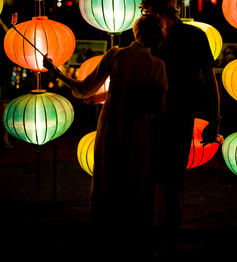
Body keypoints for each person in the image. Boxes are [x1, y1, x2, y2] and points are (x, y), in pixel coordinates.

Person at [43, 13, 168, 260]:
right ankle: (134, 241)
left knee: (107, 180)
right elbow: (158, 110)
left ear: (135, 31)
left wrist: (56, 72)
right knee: (136, 183)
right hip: (137, 131)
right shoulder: (157, 66)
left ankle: (106, 238)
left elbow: (82, 89)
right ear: (158, 38)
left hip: (110, 128)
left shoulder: (115, 55)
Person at [140, 0, 221, 258]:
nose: (150, 16)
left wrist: (216, 118)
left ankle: (169, 245)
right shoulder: (147, 36)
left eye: (153, 12)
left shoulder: (193, 35)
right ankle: (152, 242)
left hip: (178, 116)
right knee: (151, 183)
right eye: (147, 12)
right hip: (148, 116)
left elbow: (210, 79)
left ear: (166, 11)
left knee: (172, 184)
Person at [0, 18, 13, 149]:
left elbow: (11, 38)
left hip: (2, 73)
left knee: (4, 106)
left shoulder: (3, 30)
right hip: (3, 73)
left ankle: (5, 137)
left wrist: (2, 23)